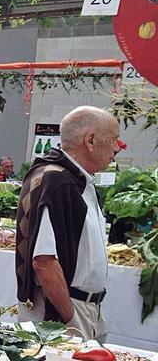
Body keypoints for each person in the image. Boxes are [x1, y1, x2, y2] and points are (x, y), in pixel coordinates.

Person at [15, 106, 120, 342]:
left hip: (84, 307)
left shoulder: (71, 179)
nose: (117, 148)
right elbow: (44, 262)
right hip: (65, 310)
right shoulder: (57, 181)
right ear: (90, 140)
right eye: (114, 139)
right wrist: (72, 319)